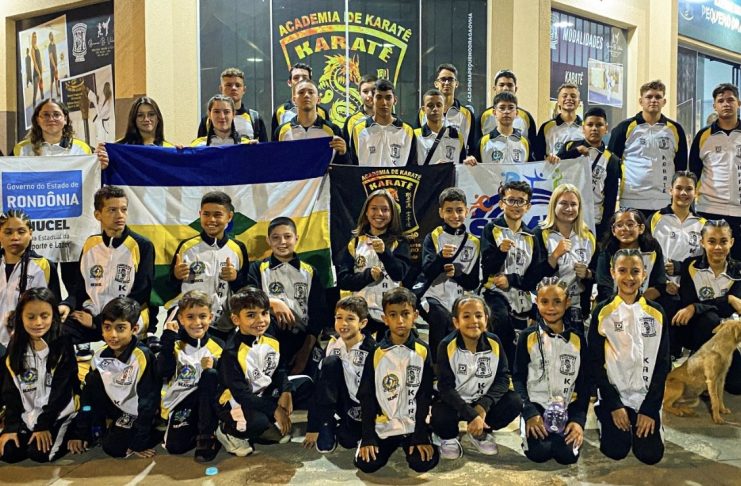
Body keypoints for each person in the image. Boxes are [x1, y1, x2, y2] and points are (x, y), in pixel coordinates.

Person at [588, 249, 670, 465]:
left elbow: (663, 364)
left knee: (650, 455)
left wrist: (650, 409)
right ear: (612, 273)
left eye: (635, 271)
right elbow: (595, 362)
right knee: (616, 450)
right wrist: (614, 404)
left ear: (644, 274)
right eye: (622, 270)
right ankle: (603, 412)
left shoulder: (657, 312)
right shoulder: (603, 312)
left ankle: (651, 418)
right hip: (615, 396)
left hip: (646, 396)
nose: (629, 277)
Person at [59, 186, 155, 354]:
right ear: (98, 215)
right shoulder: (91, 244)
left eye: (123, 209)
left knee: (120, 344)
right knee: (55, 330)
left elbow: (140, 295)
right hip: (91, 315)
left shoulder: (142, 245)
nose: (120, 215)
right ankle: (73, 368)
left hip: (126, 318)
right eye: (112, 210)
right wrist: (67, 305)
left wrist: (98, 322)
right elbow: (80, 289)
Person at [354, 288, 439, 473]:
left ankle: (424, 437)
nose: (400, 320)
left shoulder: (423, 351)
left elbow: (424, 395)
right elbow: (367, 396)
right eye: (393, 315)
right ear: (385, 319)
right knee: (367, 464)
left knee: (422, 462)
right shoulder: (376, 353)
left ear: (415, 316)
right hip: (385, 424)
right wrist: (368, 436)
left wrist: (421, 434)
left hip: (413, 423)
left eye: (405, 314)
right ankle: (382, 440)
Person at [67, 298, 160, 458]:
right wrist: (80, 433)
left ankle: (153, 431)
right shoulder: (99, 356)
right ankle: (104, 427)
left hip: (137, 412)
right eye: (107, 327)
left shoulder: (142, 357)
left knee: (114, 448)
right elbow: (88, 398)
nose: (113, 335)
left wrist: (140, 442)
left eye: (120, 328)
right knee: (92, 382)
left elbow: (148, 402)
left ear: (134, 329)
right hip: (115, 408)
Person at [432, 295, 521, 459]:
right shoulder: (446, 345)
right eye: (466, 316)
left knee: (514, 401)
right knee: (440, 413)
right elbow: (445, 388)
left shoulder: (494, 342)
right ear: (456, 322)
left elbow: (502, 379)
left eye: (478, 315)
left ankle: (480, 432)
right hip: (456, 402)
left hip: (481, 401)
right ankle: (448, 437)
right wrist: (471, 414)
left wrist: (483, 406)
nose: (473, 321)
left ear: (486, 319)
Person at [513, 278, 588, 465]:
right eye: (544, 302)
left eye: (557, 301)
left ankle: (563, 432)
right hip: (536, 405)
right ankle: (526, 427)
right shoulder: (527, 336)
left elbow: (584, 383)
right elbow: (518, 378)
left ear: (567, 302)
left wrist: (578, 420)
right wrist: (529, 412)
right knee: (539, 453)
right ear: (536, 302)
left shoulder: (577, 339)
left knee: (567, 456)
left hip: (567, 405)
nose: (551, 308)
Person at [0, 288, 77, 463]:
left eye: (44, 316)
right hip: (29, 414)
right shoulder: (15, 345)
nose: (38, 323)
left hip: (58, 413)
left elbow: (61, 392)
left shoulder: (63, 342)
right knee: (8, 453)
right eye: (31, 317)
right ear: (21, 317)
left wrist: (43, 425)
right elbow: (10, 390)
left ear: (53, 316)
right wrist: (11, 426)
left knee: (39, 453)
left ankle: (71, 430)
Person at [216, 287, 294, 456]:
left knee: (304, 386)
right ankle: (227, 430)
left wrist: (286, 392)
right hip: (235, 401)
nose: (261, 320)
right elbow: (241, 395)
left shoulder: (271, 339)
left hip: (260, 394)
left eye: (264, 313)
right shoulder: (231, 352)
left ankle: (262, 427)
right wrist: (275, 409)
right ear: (236, 319)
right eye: (251, 315)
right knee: (258, 421)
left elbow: (279, 369)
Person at [247, 217, 326, 377]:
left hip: (302, 340)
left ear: (296, 238)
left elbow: (318, 316)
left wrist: (305, 351)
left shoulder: (310, 272)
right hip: (268, 337)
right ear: (269, 241)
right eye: (276, 237)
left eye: (287, 236)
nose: (282, 242)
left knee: (309, 380)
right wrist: (272, 302)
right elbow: (248, 299)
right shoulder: (258, 268)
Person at [169, 191, 250, 342]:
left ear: (229, 216)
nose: (211, 219)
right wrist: (176, 276)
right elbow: (172, 287)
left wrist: (235, 278)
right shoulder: (187, 247)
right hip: (189, 323)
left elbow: (244, 288)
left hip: (223, 324)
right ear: (200, 214)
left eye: (218, 215)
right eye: (206, 214)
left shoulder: (238, 248)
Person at [673, 220, 741, 393]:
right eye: (711, 241)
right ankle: (696, 373)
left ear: (731, 242)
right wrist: (728, 299)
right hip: (697, 330)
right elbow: (688, 302)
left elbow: (733, 307)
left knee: (736, 386)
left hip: (728, 335)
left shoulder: (739, 270)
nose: (718, 247)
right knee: (709, 319)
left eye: (723, 241)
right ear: (702, 242)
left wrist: (698, 306)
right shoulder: (690, 266)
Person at [303, 296, 377, 453]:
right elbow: (319, 385)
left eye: (350, 319)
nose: (343, 323)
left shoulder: (372, 350)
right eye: (339, 318)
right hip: (340, 400)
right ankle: (326, 424)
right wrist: (313, 426)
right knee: (330, 363)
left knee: (348, 440)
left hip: (364, 405)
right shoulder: (333, 344)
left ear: (363, 323)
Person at [414, 187, 480, 361]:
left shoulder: (474, 242)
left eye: (459, 210)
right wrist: (441, 258)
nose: (454, 215)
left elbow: (473, 283)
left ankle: (462, 364)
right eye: (449, 210)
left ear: (466, 211)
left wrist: (457, 274)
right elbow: (427, 269)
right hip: (432, 296)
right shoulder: (433, 237)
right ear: (441, 212)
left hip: (459, 299)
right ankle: (436, 366)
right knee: (440, 318)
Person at [480, 181, 543, 364]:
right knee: (500, 319)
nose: (516, 205)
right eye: (511, 200)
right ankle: (501, 368)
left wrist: (511, 279)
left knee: (548, 318)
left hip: (522, 293)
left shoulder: (532, 236)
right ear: (502, 203)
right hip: (494, 292)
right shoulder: (492, 229)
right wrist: (500, 252)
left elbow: (534, 277)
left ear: (528, 206)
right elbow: (486, 268)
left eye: (521, 201)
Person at [158, 291, 224, 461]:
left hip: (210, 402)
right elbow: (163, 371)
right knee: (175, 447)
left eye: (202, 316)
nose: (197, 323)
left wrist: (216, 365)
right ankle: (197, 426)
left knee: (210, 375)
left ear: (211, 317)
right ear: (181, 319)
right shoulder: (174, 343)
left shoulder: (219, 346)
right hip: (182, 401)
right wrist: (167, 341)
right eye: (190, 317)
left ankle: (206, 436)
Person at [335, 189, 411, 337]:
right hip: (361, 315)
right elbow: (343, 280)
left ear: (392, 214)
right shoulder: (355, 243)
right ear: (366, 212)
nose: (379, 213)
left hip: (391, 315)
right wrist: (368, 276)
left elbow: (399, 274)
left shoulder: (399, 242)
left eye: (385, 209)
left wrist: (385, 253)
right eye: (374, 208)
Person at [608, 80, 688, 220]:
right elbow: (611, 163)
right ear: (641, 101)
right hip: (632, 200)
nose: (653, 100)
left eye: (658, 97)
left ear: (664, 101)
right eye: (649, 97)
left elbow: (680, 166)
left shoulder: (675, 129)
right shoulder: (624, 128)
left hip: (664, 200)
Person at [649, 171, 706, 357]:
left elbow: (704, 262)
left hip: (690, 288)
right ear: (670, 190)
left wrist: (680, 268)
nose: (683, 193)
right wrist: (662, 282)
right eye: (679, 188)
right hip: (660, 287)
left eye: (688, 189)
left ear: (696, 192)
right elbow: (645, 254)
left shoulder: (702, 224)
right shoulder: (656, 219)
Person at [689, 83, 741, 261]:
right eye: (721, 101)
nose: (726, 104)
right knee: (709, 263)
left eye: (730, 100)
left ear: (738, 103)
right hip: (709, 209)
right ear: (714, 106)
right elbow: (693, 174)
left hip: (739, 212)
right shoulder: (703, 136)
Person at [534, 184, 597, 331]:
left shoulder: (588, 236)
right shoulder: (540, 234)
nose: (569, 209)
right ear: (554, 205)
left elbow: (599, 273)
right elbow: (532, 276)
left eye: (573, 204)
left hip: (577, 307)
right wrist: (554, 256)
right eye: (563, 203)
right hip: (547, 307)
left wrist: (587, 274)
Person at [556, 107, 620, 239]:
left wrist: (605, 231)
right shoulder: (570, 146)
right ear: (583, 128)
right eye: (590, 125)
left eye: (599, 125)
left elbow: (610, 199)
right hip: (566, 215)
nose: (594, 129)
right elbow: (556, 167)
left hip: (593, 220)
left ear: (606, 128)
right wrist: (575, 152)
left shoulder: (611, 159)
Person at [0, 210, 61, 347]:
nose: (15, 237)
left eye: (21, 232)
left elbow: (53, 311)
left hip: (28, 345)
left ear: (31, 233)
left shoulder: (43, 266)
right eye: (8, 232)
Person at [595, 209, 668, 309]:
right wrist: (623, 308)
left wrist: (637, 305)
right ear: (613, 230)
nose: (624, 229)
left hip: (645, 305)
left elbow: (659, 285)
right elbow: (604, 288)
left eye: (630, 224)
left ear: (641, 228)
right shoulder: (606, 251)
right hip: (613, 306)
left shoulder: (652, 249)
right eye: (619, 225)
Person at [274, 79, 347, 163]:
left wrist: (343, 153)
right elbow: (275, 163)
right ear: (294, 100)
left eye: (311, 92)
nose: (306, 95)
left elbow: (344, 165)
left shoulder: (333, 130)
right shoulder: (281, 131)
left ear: (318, 99)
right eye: (301, 92)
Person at [348, 79, 417, 166]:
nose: (384, 103)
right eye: (379, 97)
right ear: (372, 100)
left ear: (395, 100)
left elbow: (413, 167)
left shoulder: (407, 131)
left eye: (388, 97)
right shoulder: (358, 130)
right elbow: (353, 166)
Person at [417, 64, 476, 152]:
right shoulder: (423, 113)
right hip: (430, 160)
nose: (447, 83)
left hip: (457, 160)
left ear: (456, 84)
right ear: (436, 84)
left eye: (450, 79)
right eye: (443, 79)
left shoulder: (467, 114)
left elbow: (472, 147)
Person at [198, 67, 267, 142]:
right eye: (228, 85)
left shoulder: (255, 118)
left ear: (244, 90)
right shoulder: (208, 119)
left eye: (237, 85)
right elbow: (201, 147)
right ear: (221, 89)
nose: (233, 88)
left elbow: (264, 148)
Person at [13, 99, 95, 159]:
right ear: (37, 120)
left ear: (65, 119)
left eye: (56, 114)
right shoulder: (21, 149)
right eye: (46, 115)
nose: (51, 119)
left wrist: (101, 167)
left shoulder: (82, 149)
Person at [479, 69, 537, 147]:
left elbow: (533, 147)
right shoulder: (484, 116)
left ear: (515, 89)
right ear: (494, 88)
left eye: (510, 85)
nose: (505, 88)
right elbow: (477, 146)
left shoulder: (526, 117)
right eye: (501, 85)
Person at [271, 62, 329, 139]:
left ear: (310, 81)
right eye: (296, 78)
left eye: (305, 78)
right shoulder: (280, 112)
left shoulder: (322, 112)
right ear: (289, 82)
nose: (300, 80)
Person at [472, 91, 532, 164]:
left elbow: (532, 168)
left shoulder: (524, 142)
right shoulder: (484, 142)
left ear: (516, 113)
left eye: (511, 108)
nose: (506, 111)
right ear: (494, 113)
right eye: (502, 108)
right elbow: (475, 167)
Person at [414, 89, 468, 165]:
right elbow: (410, 167)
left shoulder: (457, 136)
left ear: (444, 108)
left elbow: (462, 166)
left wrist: (469, 162)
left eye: (439, 105)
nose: (435, 109)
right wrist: (435, 169)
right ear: (423, 109)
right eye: (430, 105)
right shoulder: (415, 136)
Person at [534, 83, 583, 161]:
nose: (569, 98)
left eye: (573, 96)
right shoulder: (546, 127)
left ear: (579, 102)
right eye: (565, 96)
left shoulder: (586, 128)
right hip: (554, 169)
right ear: (558, 101)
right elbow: (538, 157)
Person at [343, 74, 376, 142]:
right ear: (359, 94)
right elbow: (346, 148)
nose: (370, 95)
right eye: (365, 91)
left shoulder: (391, 120)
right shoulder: (351, 121)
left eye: (374, 91)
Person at [30, 32, 43, 106]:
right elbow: (35, 63)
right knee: (35, 89)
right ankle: (34, 103)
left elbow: (40, 60)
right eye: (34, 37)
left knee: (41, 85)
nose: (35, 38)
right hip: (36, 72)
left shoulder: (37, 47)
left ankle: (42, 98)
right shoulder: (32, 49)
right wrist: (39, 73)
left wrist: (42, 70)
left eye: (36, 37)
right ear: (32, 39)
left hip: (40, 70)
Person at [48, 32, 59, 98]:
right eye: (50, 36)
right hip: (52, 67)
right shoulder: (49, 46)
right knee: (52, 81)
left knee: (56, 79)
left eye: (52, 36)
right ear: (49, 38)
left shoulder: (54, 45)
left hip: (56, 66)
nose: (52, 37)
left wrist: (56, 65)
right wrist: (54, 66)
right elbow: (51, 57)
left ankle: (57, 93)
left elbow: (55, 55)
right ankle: (51, 97)